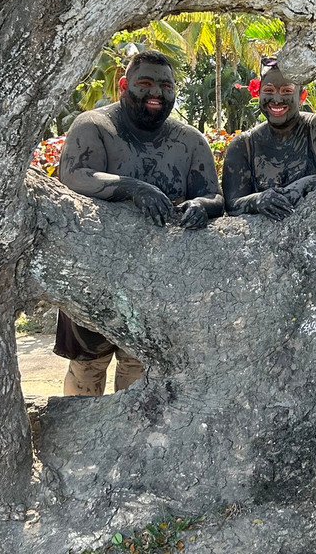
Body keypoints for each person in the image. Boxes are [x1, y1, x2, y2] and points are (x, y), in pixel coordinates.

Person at [54, 49, 223, 395]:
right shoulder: (95, 126)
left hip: (156, 284)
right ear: (123, 85)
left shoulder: (190, 141)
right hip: (93, 276)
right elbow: (74, 175)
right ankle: (78, 431)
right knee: (87, 369)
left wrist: (200, 206)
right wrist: (133, 188)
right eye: (145, 83)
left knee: (140, 371)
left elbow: (214, 196)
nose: (156, 93)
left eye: (165, 86)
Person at [222, 58, 316, 219]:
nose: (277, 99)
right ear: (258, 93)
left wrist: (306, 185)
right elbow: (232, 205)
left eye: (286, 91)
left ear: (302, 96)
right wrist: (257, 200)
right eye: (269, 90)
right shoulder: (244, 145)